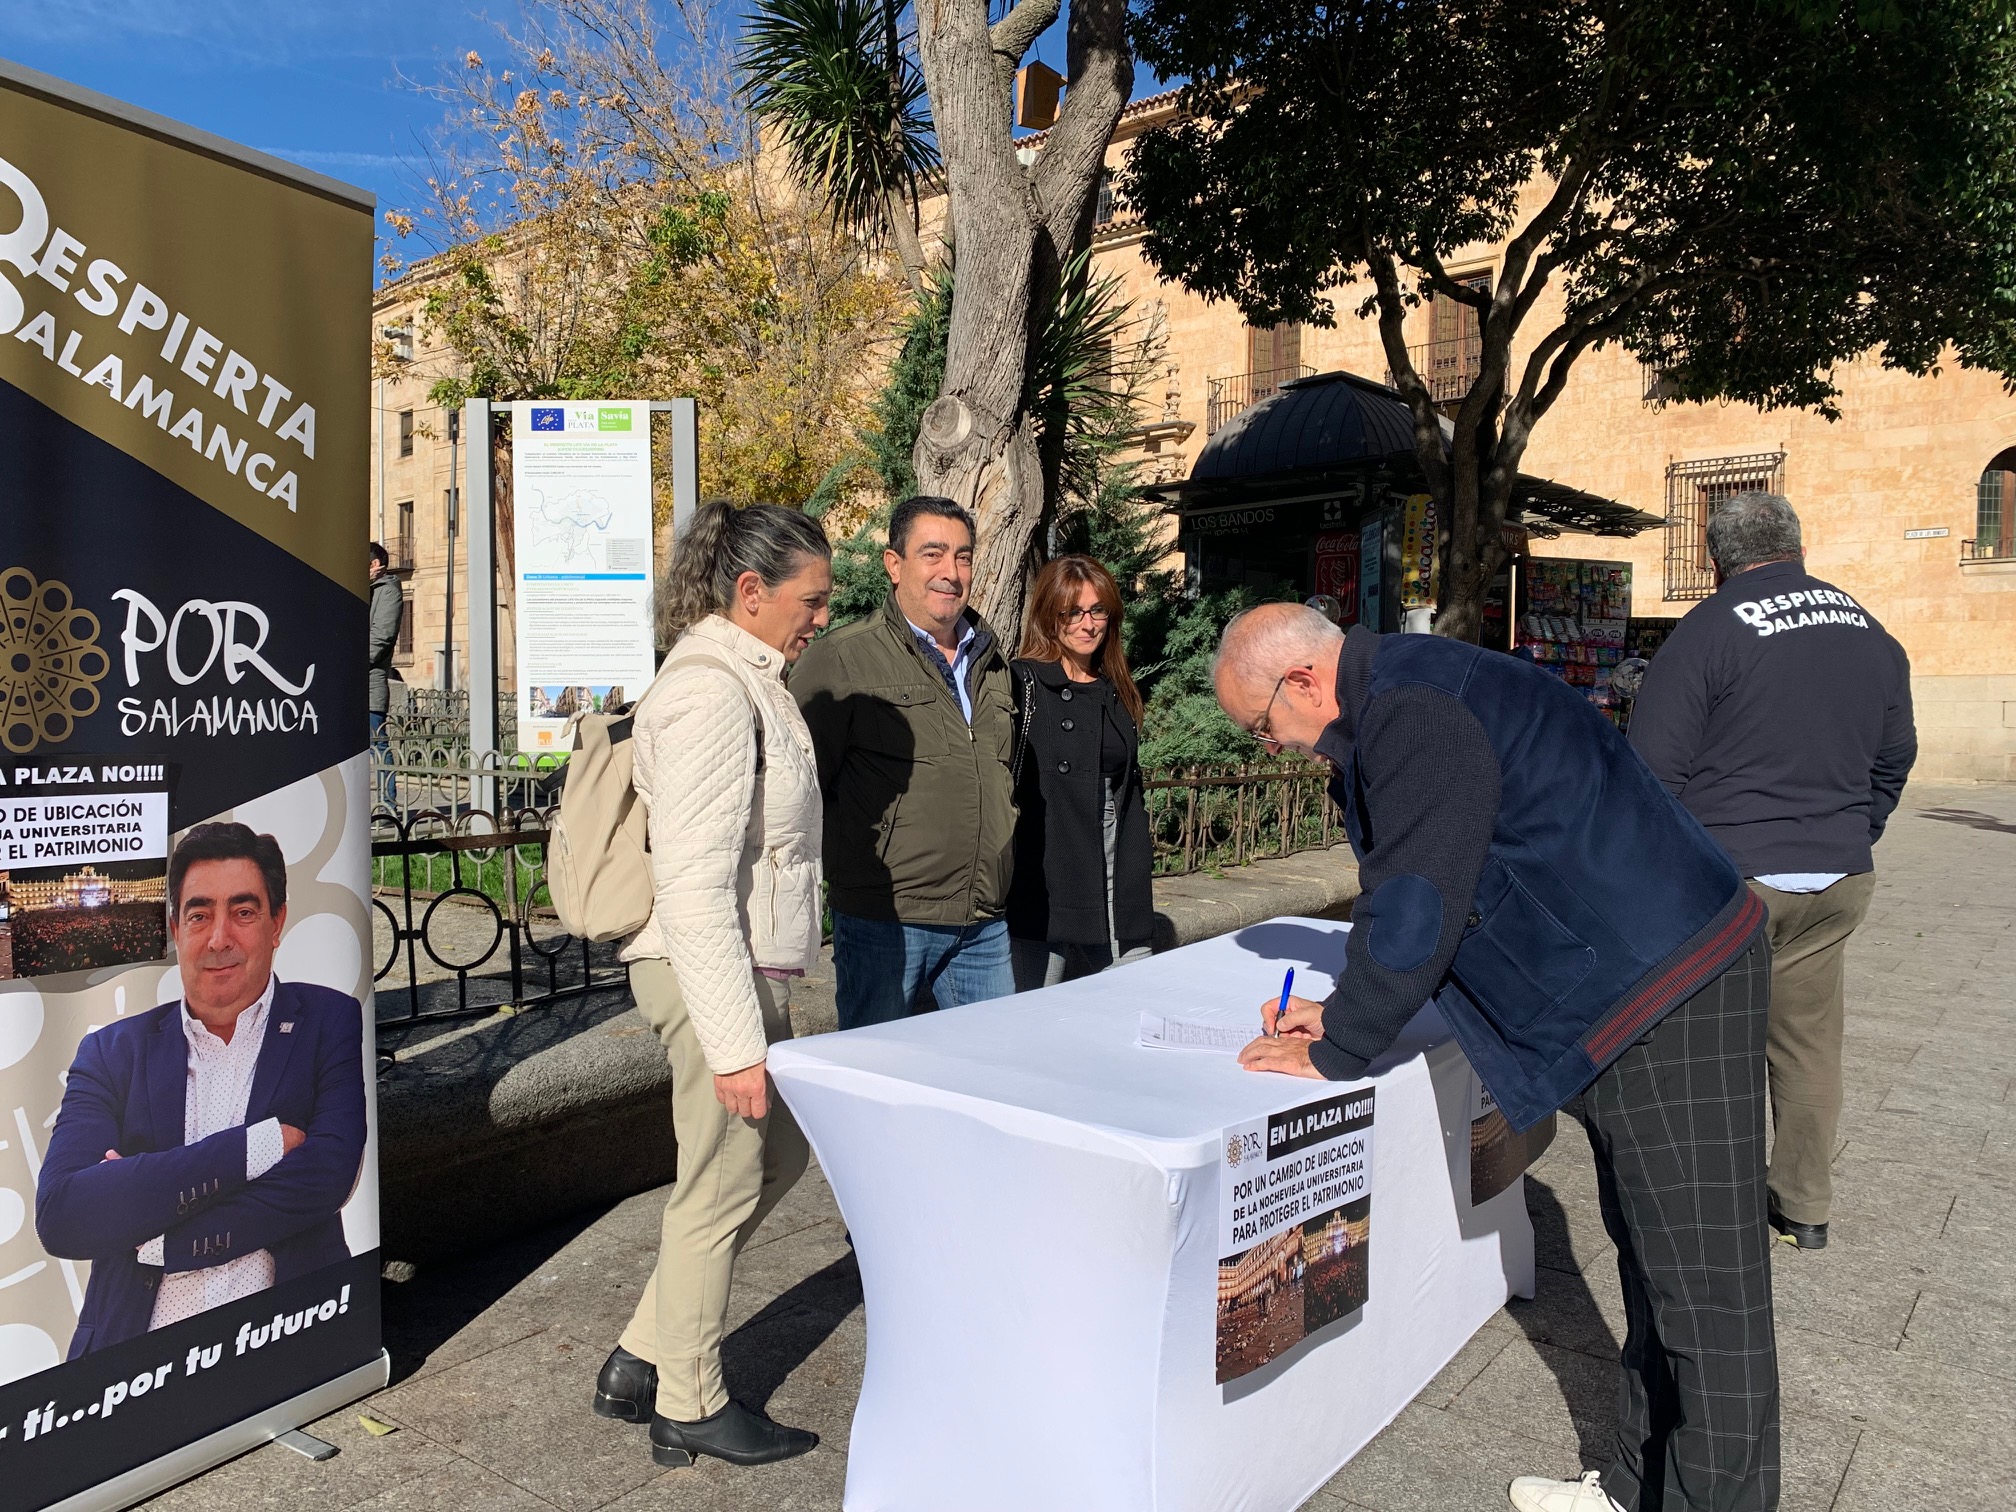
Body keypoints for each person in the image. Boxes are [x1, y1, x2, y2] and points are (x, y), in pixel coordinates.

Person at [1213, 604, 1776, 1512]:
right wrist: (1345, 1006)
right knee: (1653, 1265)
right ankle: (1639, 1485)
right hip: (1631, 981)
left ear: (1304, 683)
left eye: (1260, 724)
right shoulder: (1399, 692)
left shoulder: (1410, 709)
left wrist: (1346, 1040)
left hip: (1670, 988)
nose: (1269, 747)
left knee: (1706, 1302)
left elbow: (1417, 895)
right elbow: (1433, 876)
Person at [593, 501, 830, 1470]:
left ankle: (641, 1355)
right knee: (720, 1184)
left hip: (736, 968)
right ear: (751, 592)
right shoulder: (710, 694)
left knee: (768, 1163)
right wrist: (737, 1046)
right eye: (810, 599)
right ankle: (688, 1399)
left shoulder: (749, 679)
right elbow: (692, 887)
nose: (822, 615)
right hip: (707, 977)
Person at [1628, 492, 1916, 1251]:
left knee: (1709, 1048)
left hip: (1731, 879)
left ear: (1714, 560)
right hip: (1835, 876)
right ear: (1797, 544)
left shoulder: (1708, 632)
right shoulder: (1869, 631)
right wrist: (1854, 828)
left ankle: (1708, 1204)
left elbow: (1652, 774)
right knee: (1808, 1045)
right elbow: (1895, 756)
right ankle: (1804, 1207)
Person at [36, 823, 367, 1358]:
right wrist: (256, 1149)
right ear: (174, 929)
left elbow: (326, 1175)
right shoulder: (112, 1053)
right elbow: (63, 1215)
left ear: (277, 922)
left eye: (243, 912)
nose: (218, 939)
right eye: (199, 914)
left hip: (290, 1344)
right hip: (132, 1366)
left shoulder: (327, 1020)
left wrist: (162, 1232)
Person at [791, 494, 1017, 1026]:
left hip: (983, 921)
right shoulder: (841, 659)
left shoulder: (991, 661)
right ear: (895, 565)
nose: (951, 572)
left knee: (998, 1076)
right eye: (932, 554)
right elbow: (799, 786)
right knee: (877, 1078)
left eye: (963, 556)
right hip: (886, 921)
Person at [1006, 555, 1154, 988]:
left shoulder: (1115, 685)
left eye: (1098, 610)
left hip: (1114, 856)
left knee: (1129, 997)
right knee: (1029, 1010)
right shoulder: (1023, 682)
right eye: (1072, 612)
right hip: (1045, 864)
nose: (1087, 624)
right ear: (1049, 616)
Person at [367, 542, 402, 807]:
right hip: (346, 682)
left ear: (376, 564)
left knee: (377, 743)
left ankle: (388, 804)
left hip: (369, 681)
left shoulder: (388, 591)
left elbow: (382, 636)